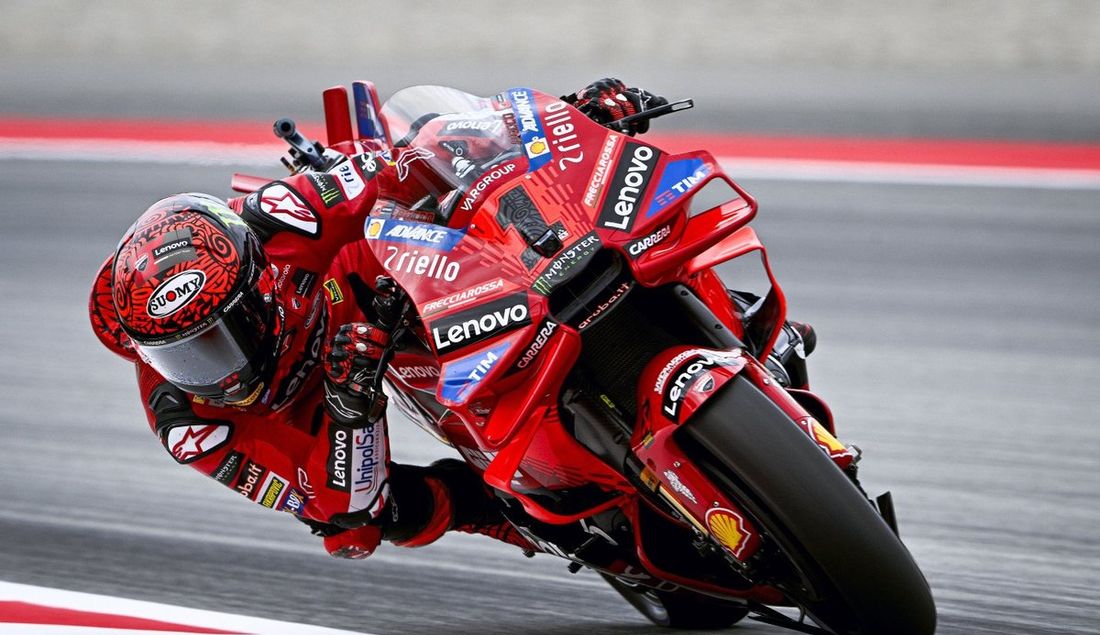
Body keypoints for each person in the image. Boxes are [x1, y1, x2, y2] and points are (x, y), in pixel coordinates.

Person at [89, 79, 681, 559]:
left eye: (223, 337)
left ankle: (740, 325)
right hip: (326, 404)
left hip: (398, 283)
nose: (216, 372)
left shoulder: (277, 220)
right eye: (181, 355)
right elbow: (338, 506)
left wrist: (563, 123)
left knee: (548, 215)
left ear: (260, 282)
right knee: (362, 526)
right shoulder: (192, 424)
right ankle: (519, 519)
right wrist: (353, 409)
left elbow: (406, 160)